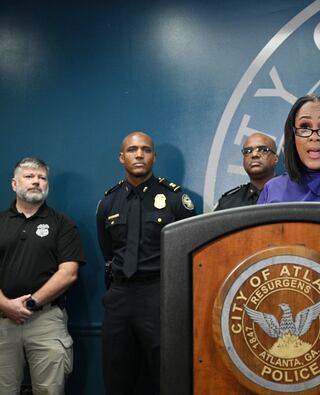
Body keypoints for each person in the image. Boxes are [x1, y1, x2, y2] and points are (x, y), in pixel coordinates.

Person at [96, 131, 196, 394]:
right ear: (121, 157)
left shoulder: (175, 199)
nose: (138, 155)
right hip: (119, 296)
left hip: (159, 295)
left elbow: (189, 251)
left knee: (167, 374)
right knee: (117, 374)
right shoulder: (108, 203)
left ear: (154, 156)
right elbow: (108, 250)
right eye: (132, 150)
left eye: (145, 150)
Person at [0, 157, 85, 395]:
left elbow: (68, 273)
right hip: (2, 322)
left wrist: (30, 303)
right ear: (14, 184)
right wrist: (6, 305)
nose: (36, 181)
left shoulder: (62, 224)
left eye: (42, 177)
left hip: (46, 321)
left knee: (50, 391)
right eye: (29, 176)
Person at [215, 132, 278, 210]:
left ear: (276, 158)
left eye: (263, 150)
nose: (254, 155)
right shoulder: (227, 204)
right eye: (247, 151)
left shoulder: (293, 192)